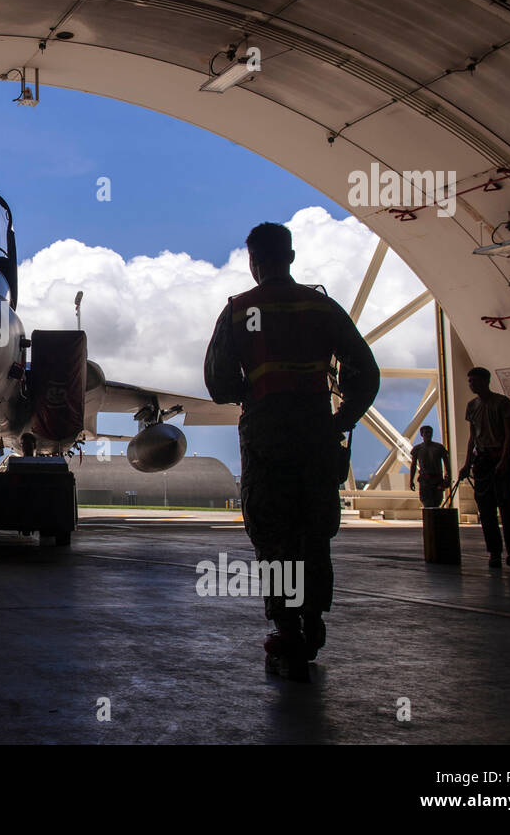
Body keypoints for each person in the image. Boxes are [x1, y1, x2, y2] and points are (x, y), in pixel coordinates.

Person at [204, 222, 379, 681]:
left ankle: (285, 626)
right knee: (314, 529)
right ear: (292, 257)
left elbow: (218, 383)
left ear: (253, 262)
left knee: (274, 533)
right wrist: (341, 420)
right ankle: (314, 620)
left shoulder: (240, 310)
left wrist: (253, 392)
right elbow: (366, 371)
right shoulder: (322, 306)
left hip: (266, 434)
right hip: (317, 431)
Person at [457, 366, 510, 571]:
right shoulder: (472, 406)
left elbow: (509, 435)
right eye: (470, 382)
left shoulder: (502, 403)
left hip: (498, 458)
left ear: (486, 382)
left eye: (475, 381)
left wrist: (504, 459)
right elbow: (472, 438)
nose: (471, 385)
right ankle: (494, 553)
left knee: (506, 509)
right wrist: (467, 463)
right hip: (483, 461)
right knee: (486, 511)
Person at [409, 426, 451, 508]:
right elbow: (413, 465)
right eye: (426, 432)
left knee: (437, 502)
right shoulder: (417, 449)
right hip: (425, 481)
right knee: (426, 502)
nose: (428, 435)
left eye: (430, 433)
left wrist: (448, 478)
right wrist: (411, 480)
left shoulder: (439, 448)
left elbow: (447, 464)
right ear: (422, 434)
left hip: (437, 480)